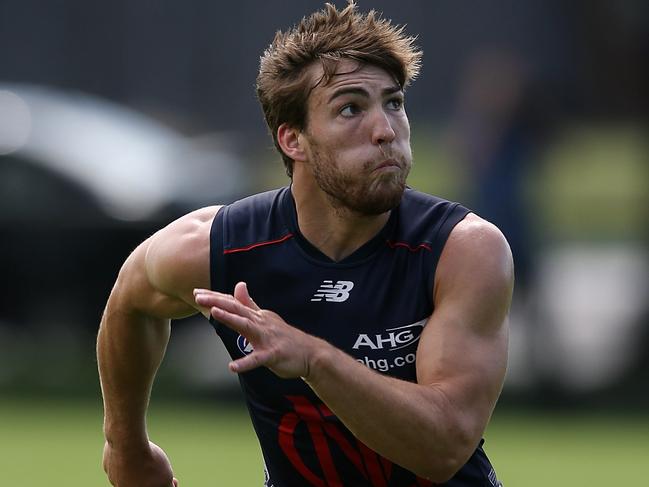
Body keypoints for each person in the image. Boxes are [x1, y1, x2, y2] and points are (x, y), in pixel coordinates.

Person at [97, 2, 513, 486]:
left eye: (394, 103)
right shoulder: (224, 245)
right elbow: (133, 296)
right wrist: (125, 446)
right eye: (351, 108)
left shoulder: (462, 250)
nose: (386, 131)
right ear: (293, 140)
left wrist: (313, 359)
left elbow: (444, 445)